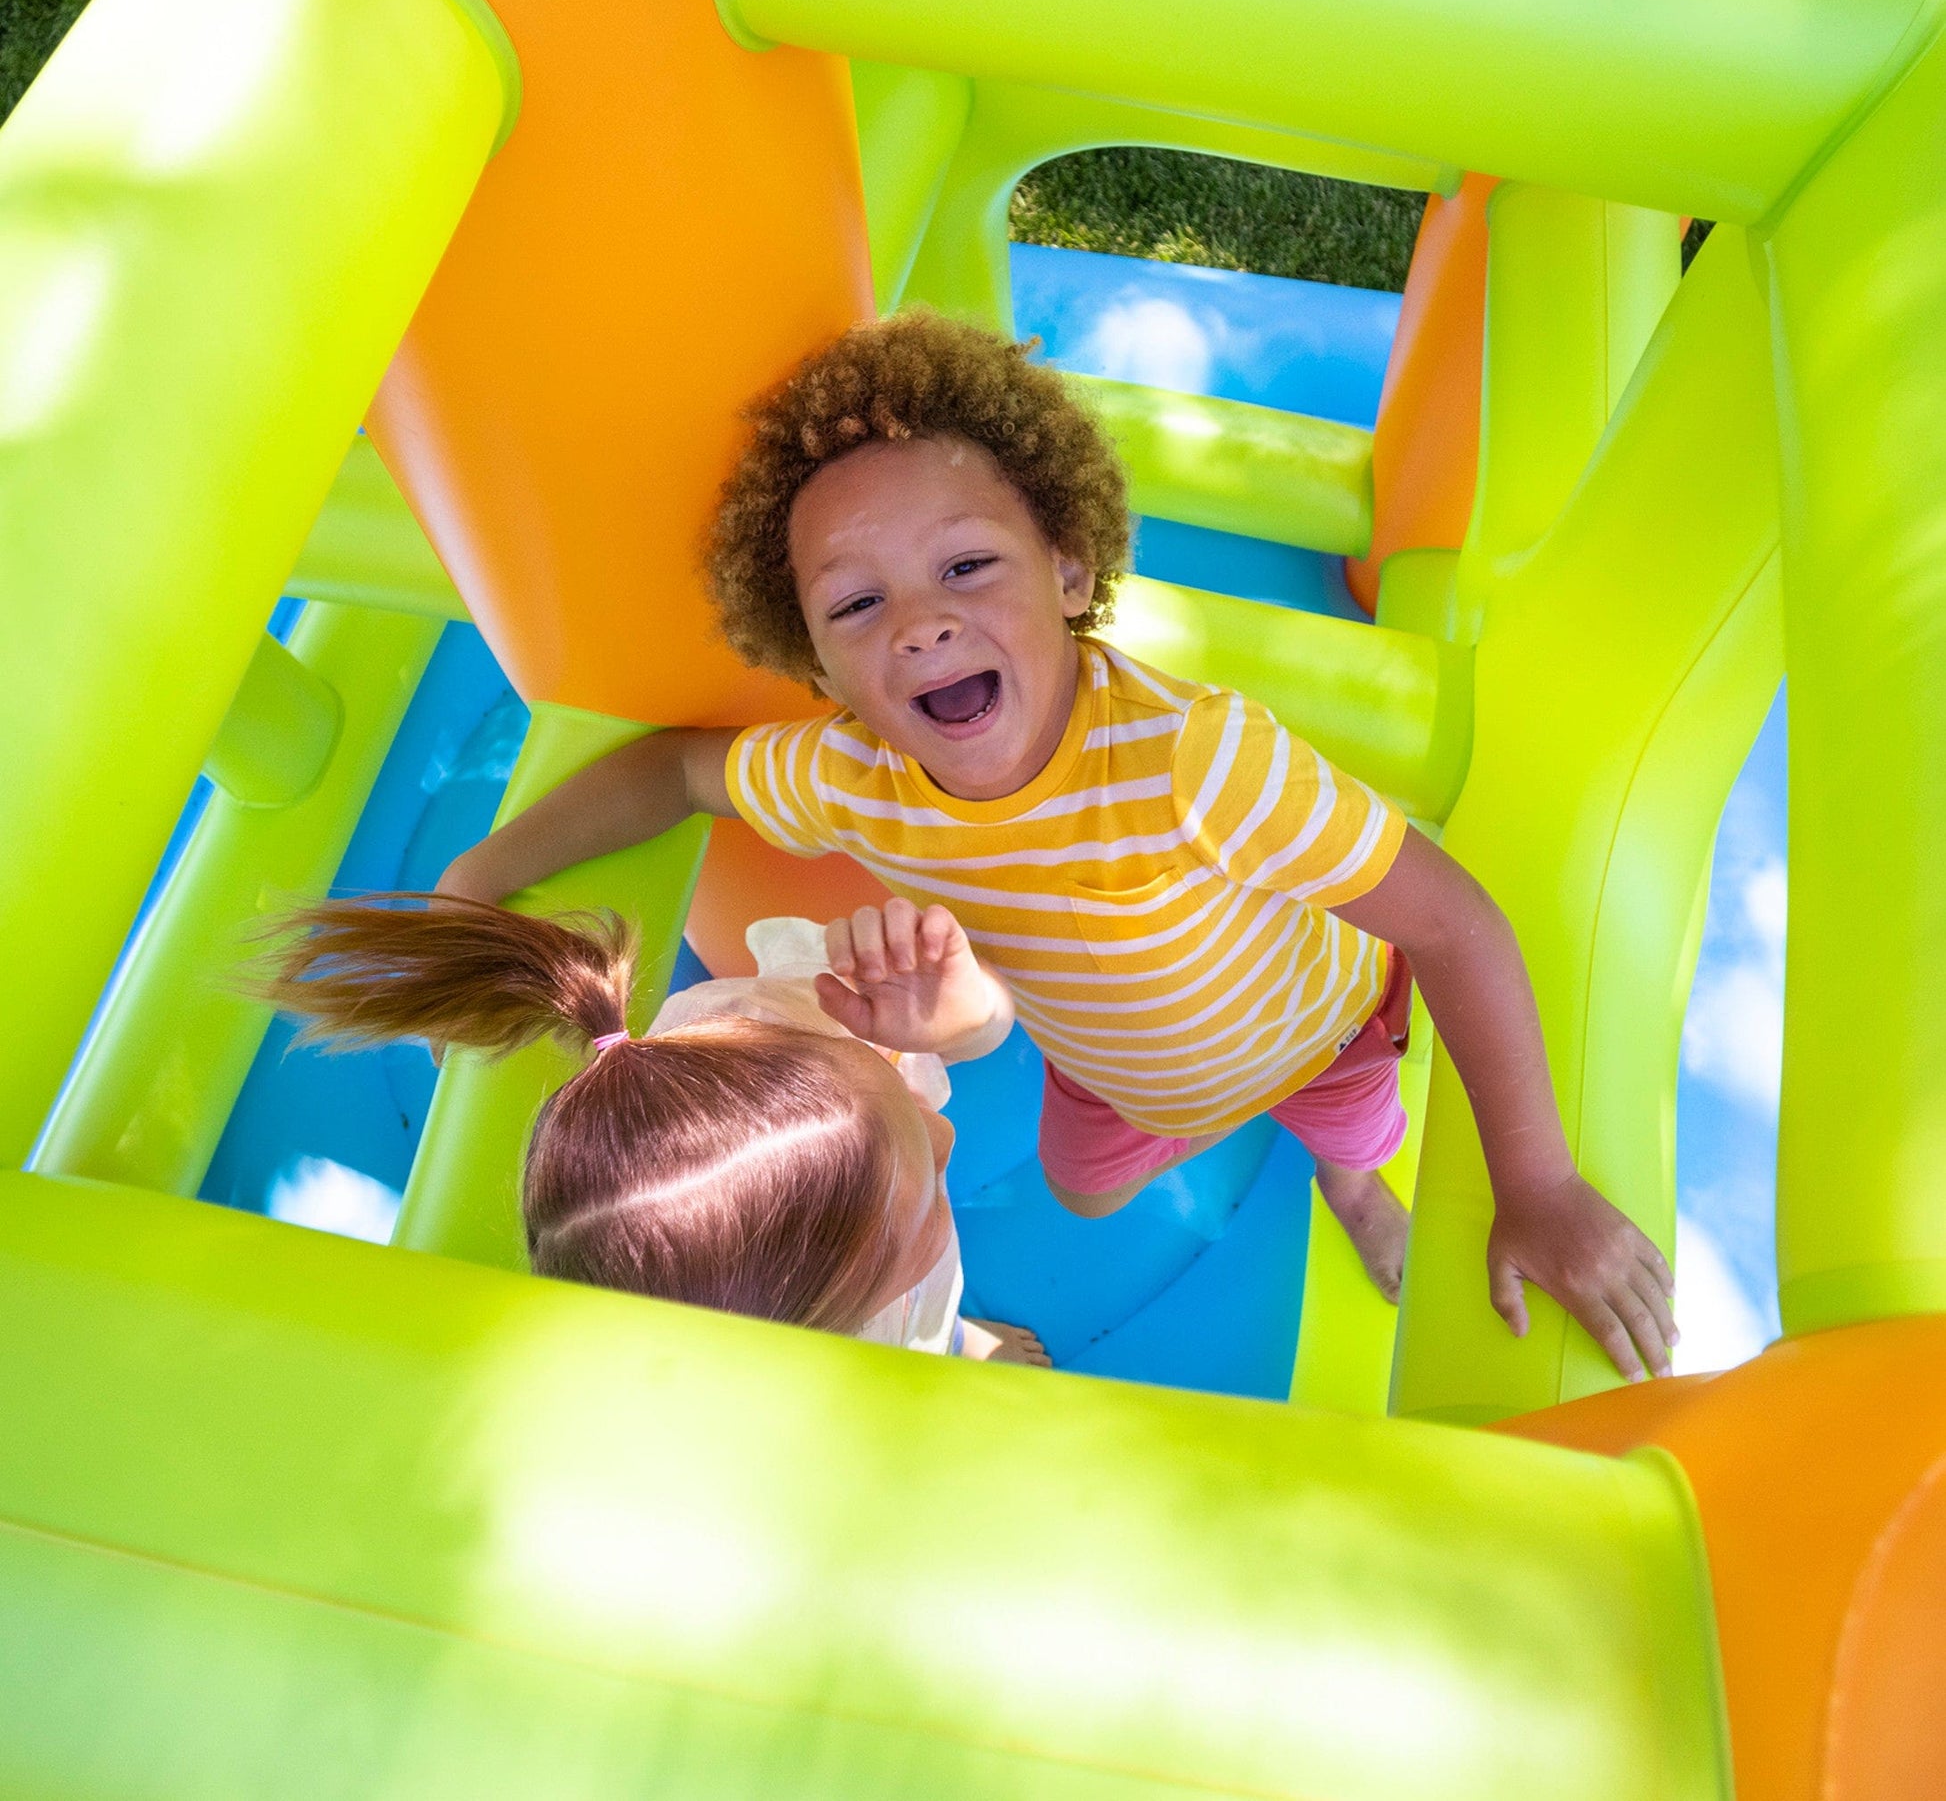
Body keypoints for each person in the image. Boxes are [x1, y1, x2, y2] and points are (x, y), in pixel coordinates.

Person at [439, 310, 1679, 1383]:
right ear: (817, 665)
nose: (922, 624)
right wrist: (481, 877)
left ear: (1070, 571)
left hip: (1310, 1035)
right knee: (1084, 1189)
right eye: (858, 604)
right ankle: (1224, 1126)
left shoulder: (1199, 764)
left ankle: (1350, 1190)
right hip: (1109, 1062)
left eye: (967, 566)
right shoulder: (854, 776)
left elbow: (1451, 923)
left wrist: (1538, 1186)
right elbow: (671, 773)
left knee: (1356, 1148)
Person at [251, 888, 1048, 1362]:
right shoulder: (794, 1377)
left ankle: (950, 1328)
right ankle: (946, 1343)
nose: (945, 1134)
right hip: (867, 1328)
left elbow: (965, 1035)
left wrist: (968, 1013)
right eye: (923, 1210)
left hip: (864, 1291)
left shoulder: (778, 1034)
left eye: (904, 1103)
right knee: (914, 1338)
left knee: (924, 1302)